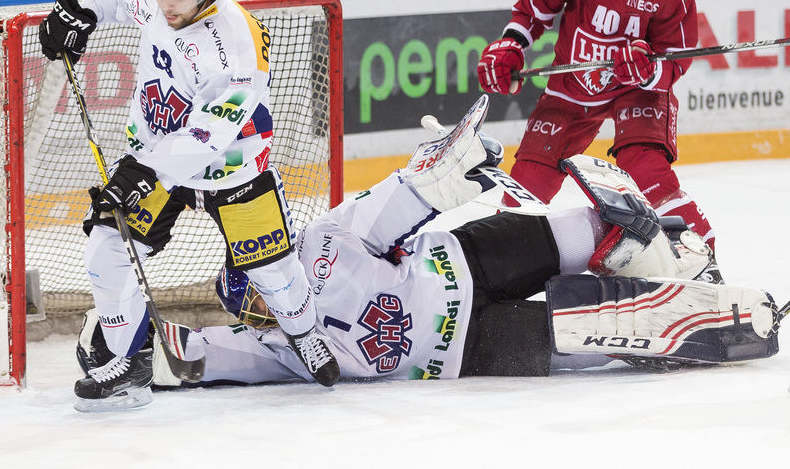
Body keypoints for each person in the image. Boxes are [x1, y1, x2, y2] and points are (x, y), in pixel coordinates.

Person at [78, 102, 775, 388]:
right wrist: (119, 335)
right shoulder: (277, 348)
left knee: (582, 232)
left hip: (469, 257)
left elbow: (399, 203)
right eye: (255, 312)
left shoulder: (324, 241)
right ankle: (666, 323)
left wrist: (449, 170)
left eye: (258, 298)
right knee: (584, 330)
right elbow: (190, 354)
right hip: (472, 349)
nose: (261, 316)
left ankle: (675, 259)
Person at [39, 0, 341, 409]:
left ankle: (304, 333)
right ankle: (128, 365)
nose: (165, 2)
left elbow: (210, 132)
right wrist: (83, 14)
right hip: (156, 160)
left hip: (233, 169)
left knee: (273, 274)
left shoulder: (239, 41)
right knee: (106, 244)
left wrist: (144, 170)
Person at [477, 0, 722, 263]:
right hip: (572, 85)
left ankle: (701, 256)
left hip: (635, 90)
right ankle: (497, 261)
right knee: (529, 177)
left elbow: (676, 60)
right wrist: (510, 45)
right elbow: (531, 12)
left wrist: (646, 68)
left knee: (646, 167)